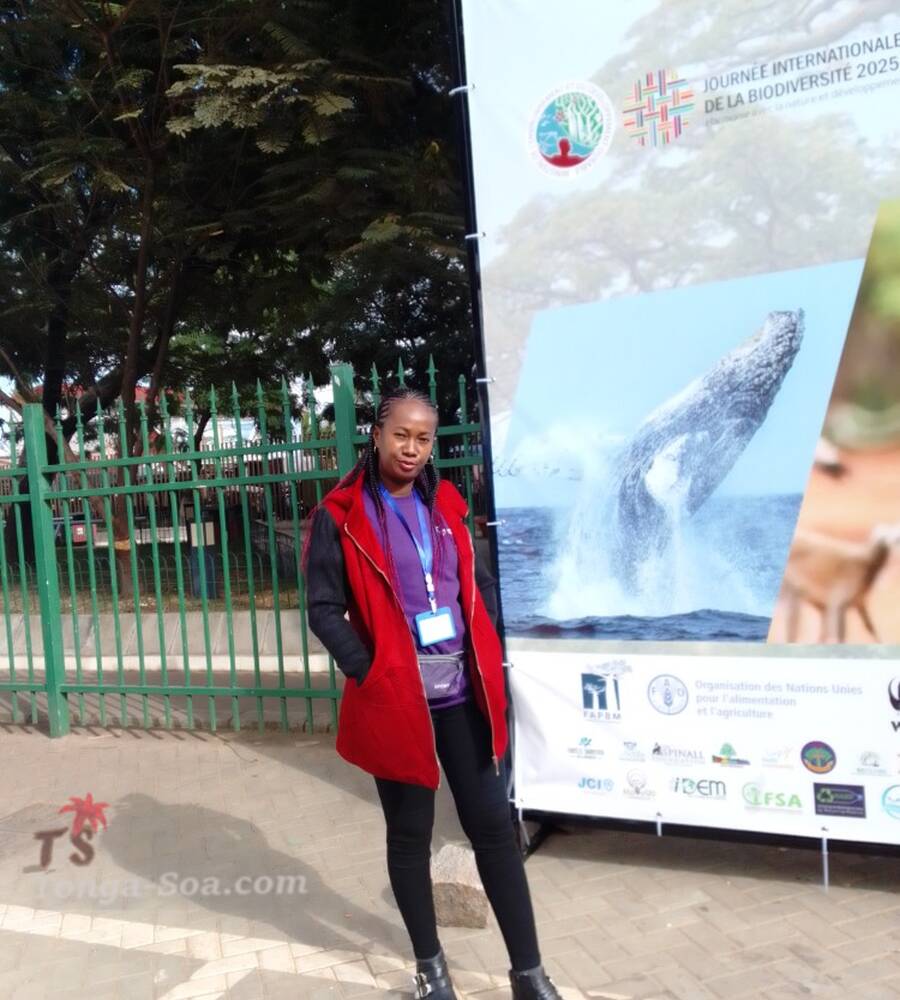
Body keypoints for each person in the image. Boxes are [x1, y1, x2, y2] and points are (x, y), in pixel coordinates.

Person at [303, 387, 562, 1000]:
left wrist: (491, 644)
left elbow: (477, 583)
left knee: (493, 829)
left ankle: (529, 975)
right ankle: (431, 969)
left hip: (462, 696)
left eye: (423, 438)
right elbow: (323, 609)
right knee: (410, 835)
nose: (412, 448)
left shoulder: (445, 503)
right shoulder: (341, 516)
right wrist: (370, 671)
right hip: (397, 702)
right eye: (401, 434)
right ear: (376, 434)